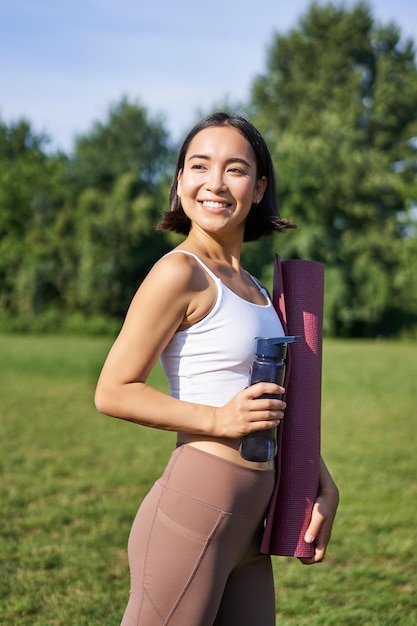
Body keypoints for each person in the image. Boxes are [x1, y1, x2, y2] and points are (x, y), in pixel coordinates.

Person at [95, 112, 339, 626]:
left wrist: (317, 478)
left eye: (236, 169)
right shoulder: (179, 272)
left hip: (254, 521)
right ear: (180, 180)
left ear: (259, 187)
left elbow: (271, 401)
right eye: (199, 166)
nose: (215, 183)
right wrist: (217, 420)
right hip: (198, 505)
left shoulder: (254, 287)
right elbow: (113, 390)